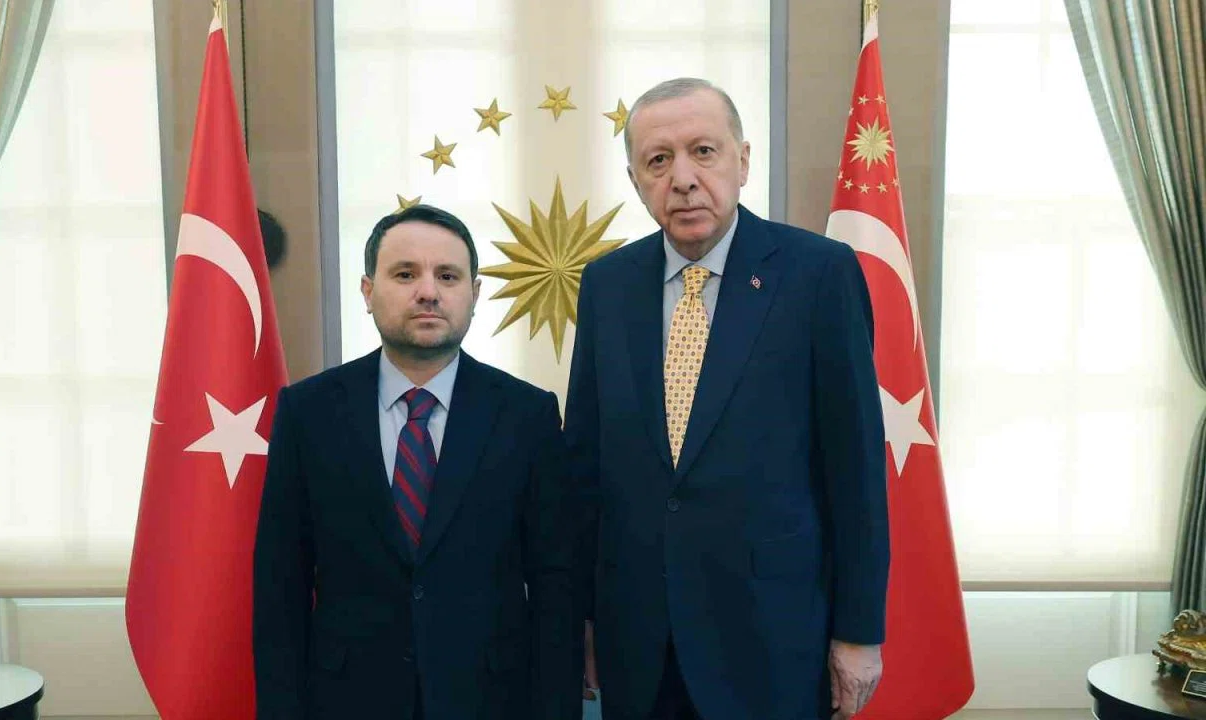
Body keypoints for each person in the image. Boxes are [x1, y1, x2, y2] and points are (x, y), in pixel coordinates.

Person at [564, 77, 889, 720]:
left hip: (771, 641)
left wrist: (859, 632)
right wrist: (584, 616)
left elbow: (855, 468)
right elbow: (585, 467)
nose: (683, 179)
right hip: (639, 643)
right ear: (635, 180)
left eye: (703, 151)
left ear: (743, 161)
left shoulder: (819, 274)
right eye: (659, 160)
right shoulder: (607, 285)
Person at [253, 204, 580, 720]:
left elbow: (555, 584)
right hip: (346, 701)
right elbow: (280, 583)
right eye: (405, 274)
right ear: (367, 292)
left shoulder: (527, 415)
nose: (428, 292)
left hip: (490, 700)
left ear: (474, 294)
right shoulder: (308, 412)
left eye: (447, 276)